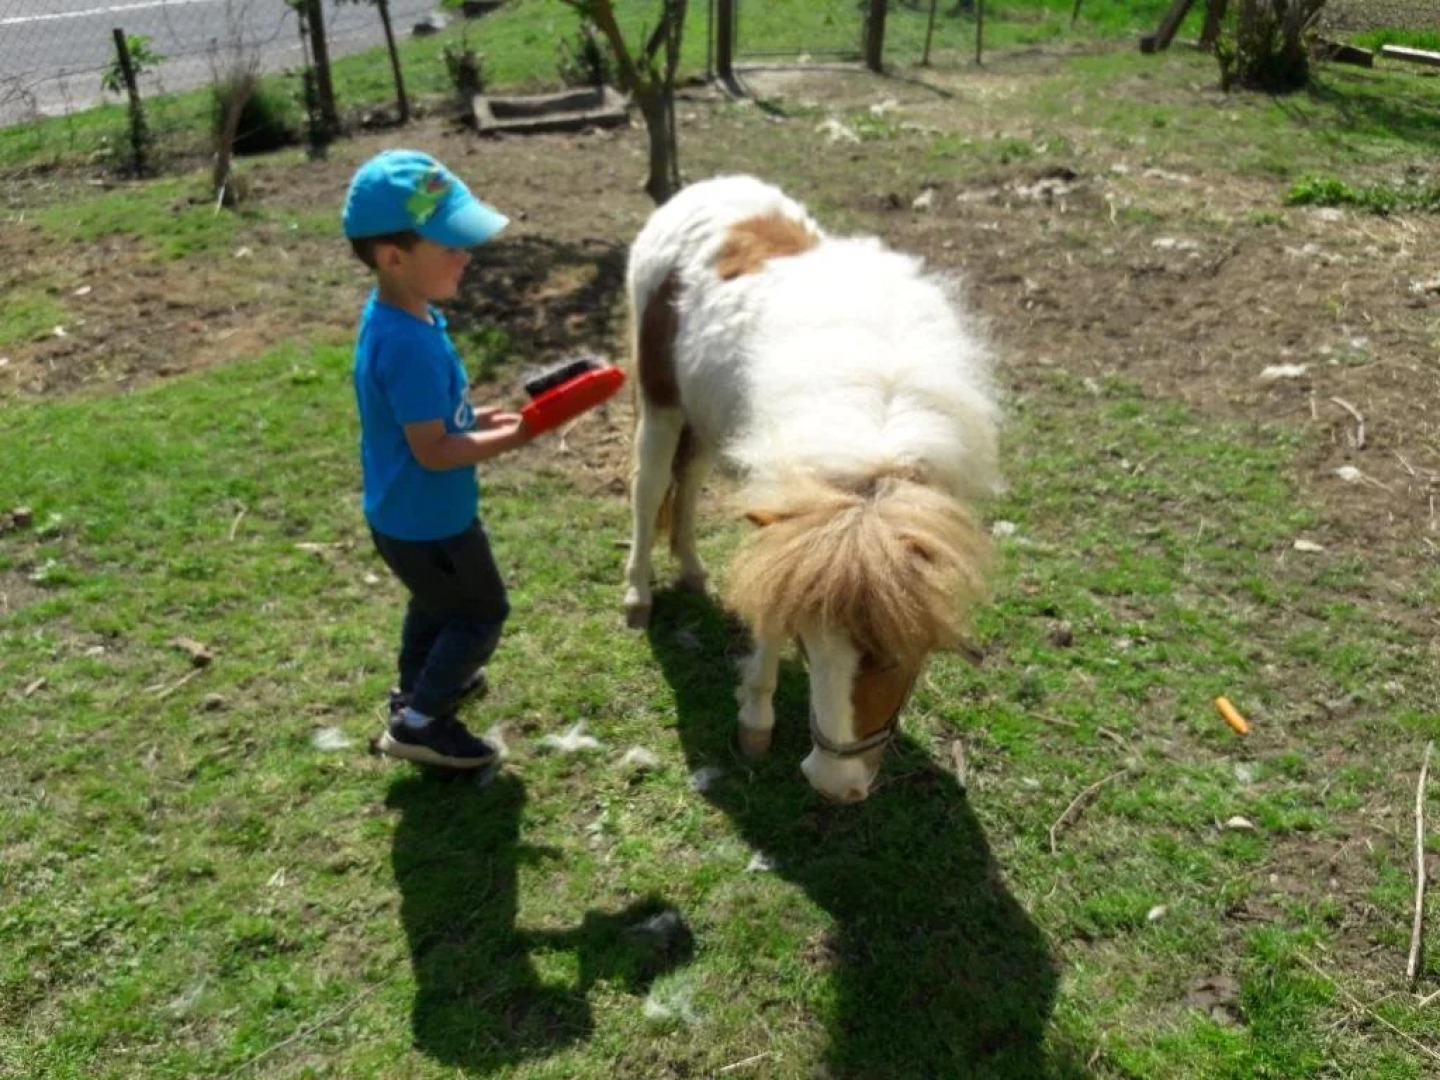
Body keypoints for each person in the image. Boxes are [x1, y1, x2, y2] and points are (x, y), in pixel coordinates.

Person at [342, 149, 531, 770]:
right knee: (480, 612)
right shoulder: (408, 345)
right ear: (394, 258)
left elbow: (431, 420)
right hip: (432, 521)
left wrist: (480, 419)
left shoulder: (408, 317)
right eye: (449, 244)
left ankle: (419, 687)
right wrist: (514, 438)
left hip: (406, 517)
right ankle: (422, 722)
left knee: (436, 603)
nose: (466, 255)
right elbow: (434, 450)